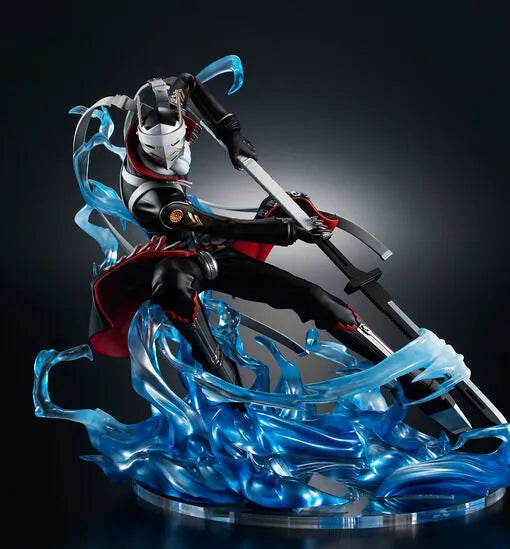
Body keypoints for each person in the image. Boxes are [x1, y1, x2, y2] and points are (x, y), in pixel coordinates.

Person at [88, 73, 393, 389]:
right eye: (157, 151)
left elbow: (187, 81)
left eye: (174, 147)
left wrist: (230, 133)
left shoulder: (168, 112)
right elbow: (221, 225)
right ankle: (228, 389)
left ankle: (401, 372)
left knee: (313, 297)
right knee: (172, 283)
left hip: (213, 248)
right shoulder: (158, 202)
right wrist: (287, 231)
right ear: (143, 141)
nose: (167, 159)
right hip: (183, 261)